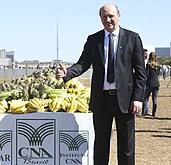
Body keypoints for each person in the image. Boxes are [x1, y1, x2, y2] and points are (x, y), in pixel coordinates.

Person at [56, 4, 146, 165]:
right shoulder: (94, 39)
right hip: (101, 101)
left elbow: (140, 72)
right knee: (101, 145)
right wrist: (67, 73)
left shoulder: (133, 38)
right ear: (100, 18)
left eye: (111, 16)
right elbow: (83, 63)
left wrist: (138, 98)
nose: (108, 20)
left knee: (126, 147)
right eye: (105, 17)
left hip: (126, 102)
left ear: (119, 16)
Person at [143, 52, 161, 118]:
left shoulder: (148, 65)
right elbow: (158, 74)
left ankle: (143, 112)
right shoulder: (158, 66)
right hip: (156, 83)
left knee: (145, 98)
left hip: (149, 83)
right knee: (155, 99)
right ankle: (153, 114)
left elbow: (146, 74)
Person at [142, 49, 150, 116]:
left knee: (146, 96)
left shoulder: (149, 62)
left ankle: (146, 109)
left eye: (147, 53)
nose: (146, 55)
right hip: (141, 80)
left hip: (147, 81)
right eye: (145, 53)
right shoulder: (140, 61)